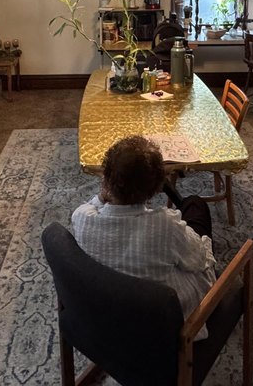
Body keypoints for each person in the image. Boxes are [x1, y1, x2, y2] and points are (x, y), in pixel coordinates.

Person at [71, 136, 216, 338]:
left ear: (105, 179)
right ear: (156, 189)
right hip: (162, 326)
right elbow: (199, 260)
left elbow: (92, 204)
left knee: (191, 208)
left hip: (106, 320)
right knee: (196, 206)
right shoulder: (165, 226)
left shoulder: (81, 218)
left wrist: (104, 193)